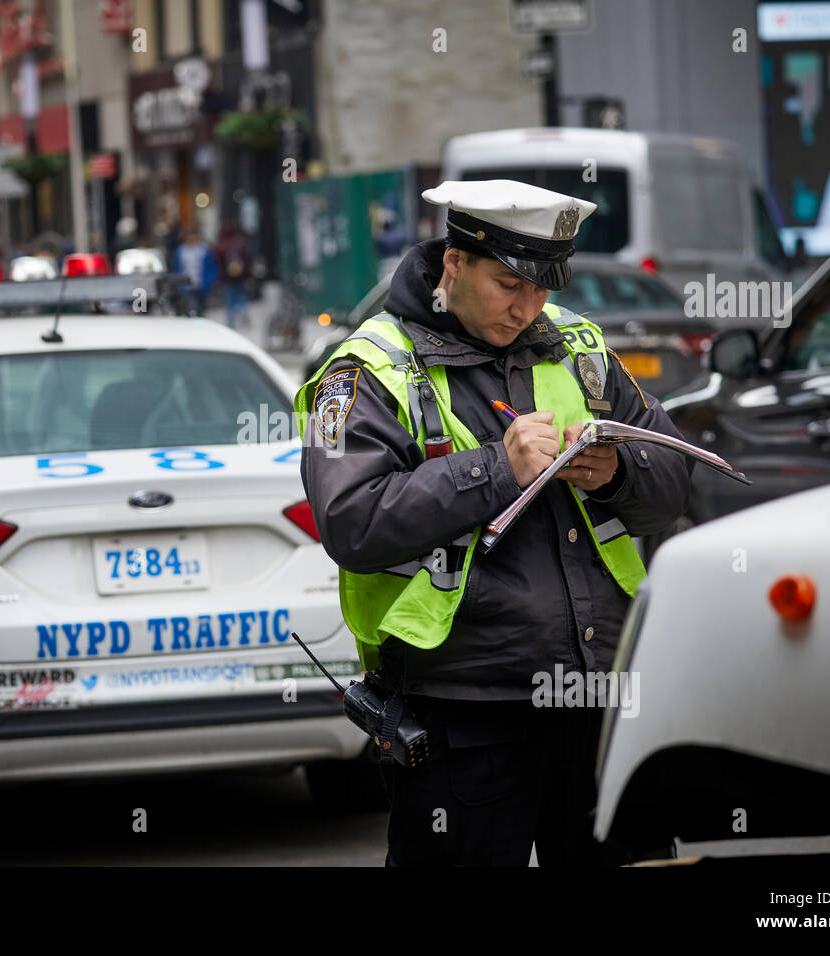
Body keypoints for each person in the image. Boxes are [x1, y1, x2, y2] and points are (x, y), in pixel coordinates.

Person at [296, 180, 694, 867]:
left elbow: (675, 484)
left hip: (596, 691)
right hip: (462, 710)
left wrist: (617, 474)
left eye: (543, 287)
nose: (527, 306)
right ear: (454, 263)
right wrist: (494, 469)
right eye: (509, 284)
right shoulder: (368, 367)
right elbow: (350, 522)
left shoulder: (578, 345)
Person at [214, 220, 253, 328]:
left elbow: (218, 263)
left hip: (228, 279)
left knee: (229, 302)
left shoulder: (221, 245)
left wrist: (220, 277)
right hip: (239, 277)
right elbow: (247, 259)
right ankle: (242, 314)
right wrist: (248, 275)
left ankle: (231, 322)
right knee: (241, 298)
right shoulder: (240, 242)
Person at [172, 227, 217, 317]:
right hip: (186, 286)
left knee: (201, 310)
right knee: (192, 308)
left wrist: (208, 283)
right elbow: (176, 268)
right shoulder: (181, 251)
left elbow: (212, 268)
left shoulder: (204, 250)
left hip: (201, 286)